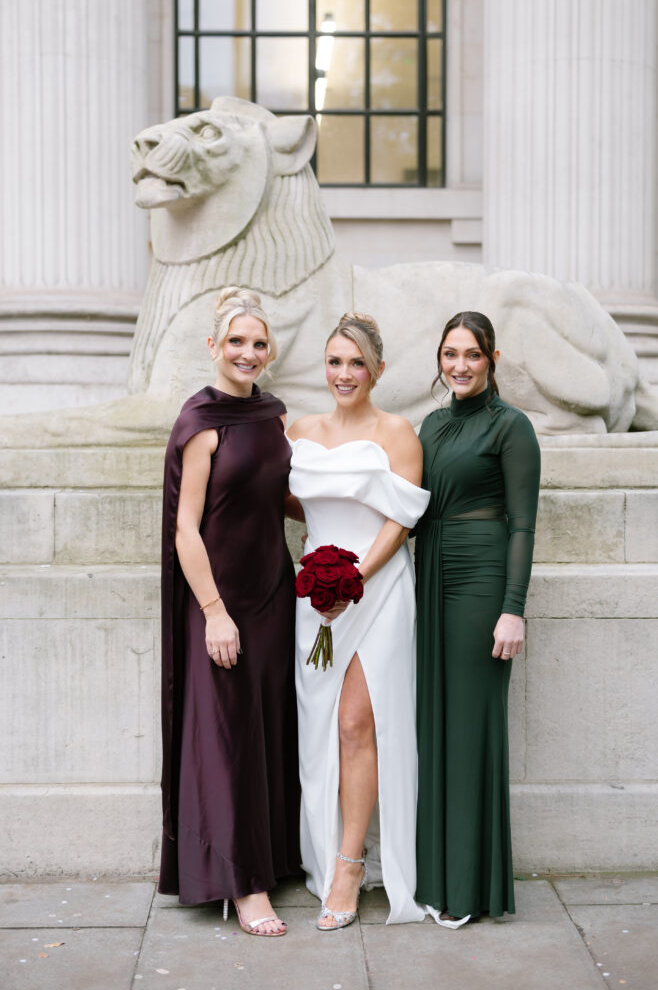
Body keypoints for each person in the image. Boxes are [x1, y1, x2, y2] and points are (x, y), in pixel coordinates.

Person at [158, 287, 300, 937]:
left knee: (267, 729)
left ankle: (271, 858)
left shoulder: (272, 416)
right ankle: (243, 885)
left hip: (273, 593)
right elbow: (186, 530)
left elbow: (281, 497)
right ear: (213, 346)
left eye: (259, 343)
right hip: (220, 601)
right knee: (228, 737)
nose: (248, 353)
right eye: (237, 341)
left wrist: (356, 502)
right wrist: (214, 612)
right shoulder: (201, 422)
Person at [286, 313, 430, 928]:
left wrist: (354, 579)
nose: (344, 374)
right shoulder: (299, 431)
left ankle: (350, 866)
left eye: (357, 363)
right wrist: (318, 566)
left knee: (354, 722)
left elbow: (401, 521)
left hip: (378, 590)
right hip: (316, 602)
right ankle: (326, 852)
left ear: (377, 370)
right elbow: (292, 500)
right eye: (335, 361)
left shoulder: (397, 432)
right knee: (321, 727)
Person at [414, 310, 541, 926]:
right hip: (430, 576)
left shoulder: (512, 426)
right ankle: (437, 878)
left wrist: (512, 609)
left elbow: (523, 525)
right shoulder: (431, 425)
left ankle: (466, 890)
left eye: (471, 354)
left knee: (469, 730)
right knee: (436, 727)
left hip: (480, 582)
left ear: (491, 359)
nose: (459, 366)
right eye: (450, 354)